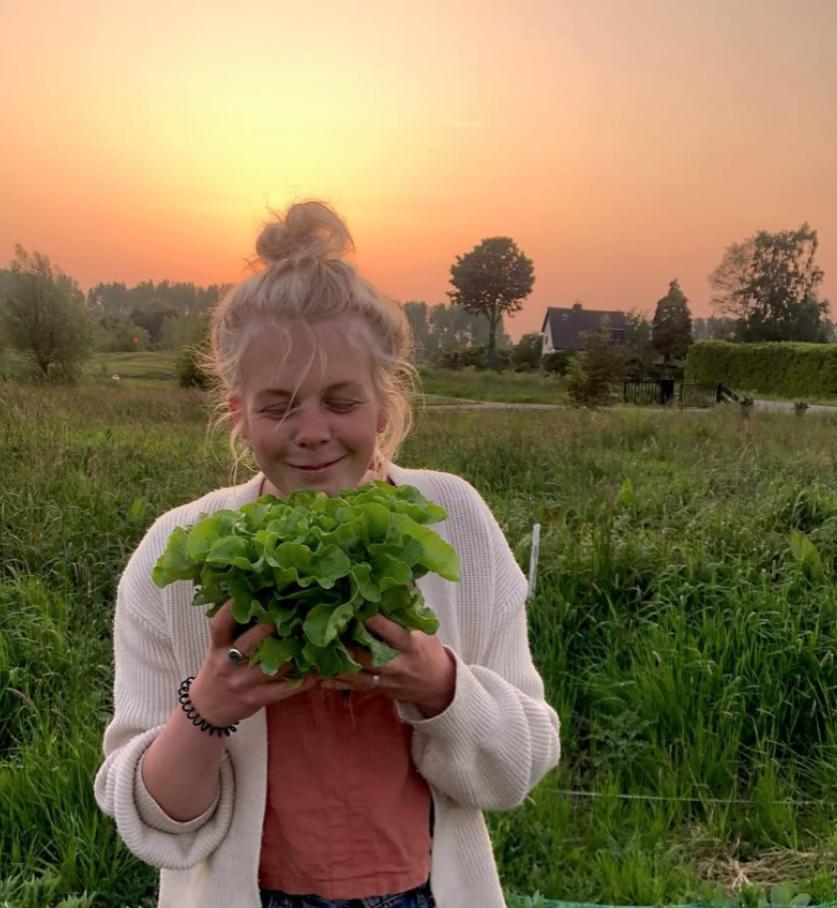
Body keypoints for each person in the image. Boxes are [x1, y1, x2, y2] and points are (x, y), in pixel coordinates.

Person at [93, 200, 561, 908]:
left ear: (382, 404)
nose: (312, 431)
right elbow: (154, 820)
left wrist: (439, 684)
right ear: (238, 413)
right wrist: (210, 706)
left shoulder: (452, 518)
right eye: (279, 406)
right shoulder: (177, 551)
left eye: (340, 401)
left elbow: (522, 764)